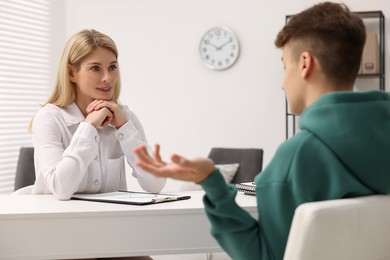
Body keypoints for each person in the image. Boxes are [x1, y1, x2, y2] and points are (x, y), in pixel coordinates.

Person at [132, 2, 390, 260]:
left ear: (304, 63)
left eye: (283, 66)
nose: (282, 83)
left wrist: (212, 182)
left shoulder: (295, 161)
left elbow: (262, 256)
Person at [31, 29, 166, 201]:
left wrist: (124, 128)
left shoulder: (125, 118)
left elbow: (156, 184)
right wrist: (88, 128)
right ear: (72, 73)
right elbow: (61, 188)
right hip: (57, 223)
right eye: (95, 68)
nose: (107, 78)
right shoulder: (49, 119)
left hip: (109, 222)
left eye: (112, 67)